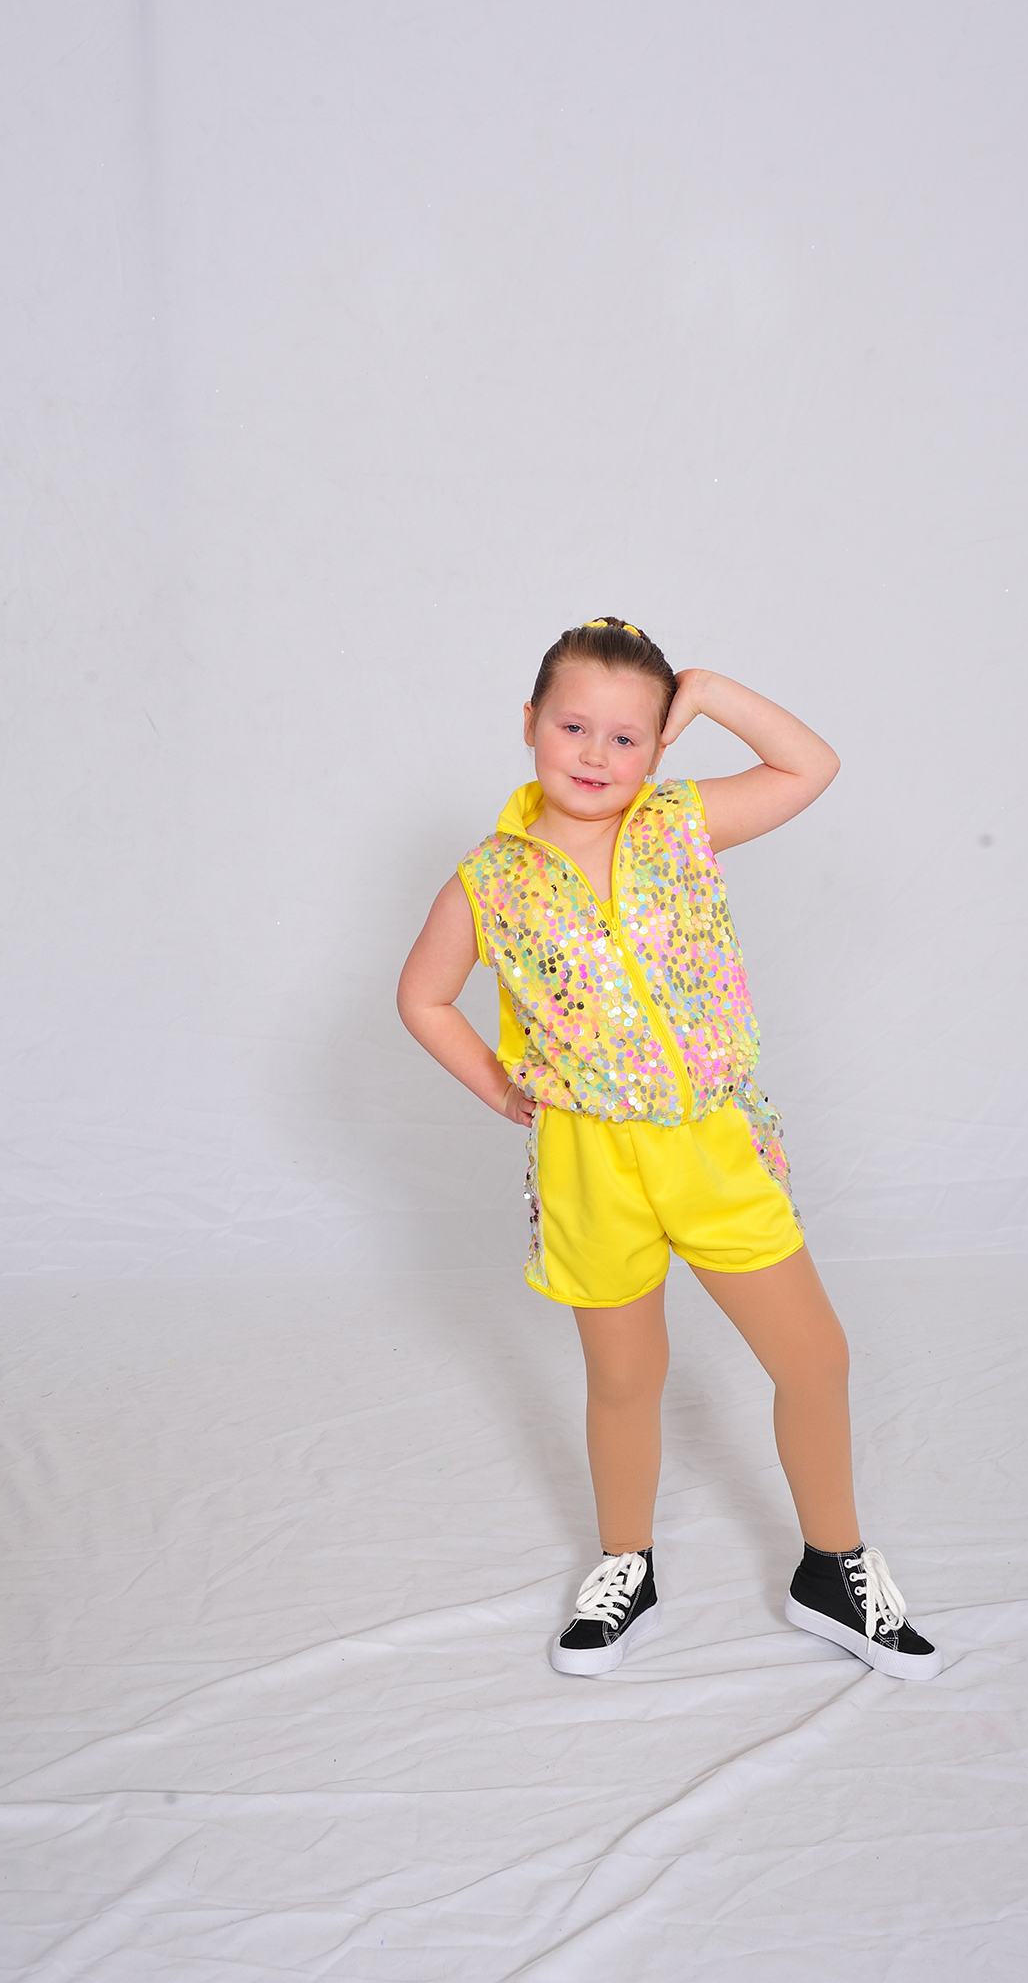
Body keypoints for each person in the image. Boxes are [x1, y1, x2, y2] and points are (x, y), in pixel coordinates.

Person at [397, 617, 942, 1682]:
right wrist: (501, 1087)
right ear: (529, 723)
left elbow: (809, 766)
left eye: (627, 737)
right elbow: (423, 996)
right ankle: (625, 1564)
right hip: (589, 1166)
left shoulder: (680, 824)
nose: (596, 755)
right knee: (624, 1376)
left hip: (712, 1149)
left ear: (658, 748)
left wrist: (709, 688)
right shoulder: (490, 879)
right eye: (573, 727)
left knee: (814, 1358)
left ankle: (833, 1569)